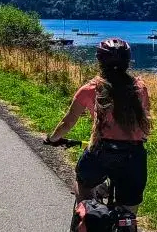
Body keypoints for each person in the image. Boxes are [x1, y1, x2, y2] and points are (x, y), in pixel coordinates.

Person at [45, 39, 151, 205]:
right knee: (129, 211)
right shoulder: (140, 88)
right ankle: (127, 227)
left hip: (101, 152)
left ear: (100, 61)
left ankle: (84, 220)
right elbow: (145, 120)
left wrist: (53, 139)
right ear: (127, 61)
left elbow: (67, 123)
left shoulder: (90, 89)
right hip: (133, 154)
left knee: (83, 185)